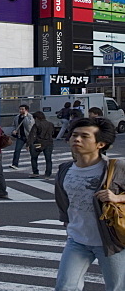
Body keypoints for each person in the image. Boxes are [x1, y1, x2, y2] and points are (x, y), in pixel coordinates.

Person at [55, 117, 125, 291]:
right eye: (74, 135)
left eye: (84, 136)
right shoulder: (64, 169)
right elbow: (64, 200)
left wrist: (117, 198)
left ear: (100, 144)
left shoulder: (115, 168)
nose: (77, 139)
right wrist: (67, 220)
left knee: (116, 288)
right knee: (64, 287)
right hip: (77, 240)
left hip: (110, 241)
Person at [28, 111, 54, 179]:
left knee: (34, 157)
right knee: (48, 159)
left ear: (36, 118)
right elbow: (52, 133)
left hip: (38, 143)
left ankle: (35, 172)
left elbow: (32, 135)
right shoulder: (50, 124)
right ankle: (47, 174)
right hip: (48, 142)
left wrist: (29, 144)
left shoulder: (37, 125)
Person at [10, 103, 34, 170]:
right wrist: (14, 131)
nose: (20, 110)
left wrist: (25, 117)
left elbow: (28, 126)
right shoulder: (17, 117)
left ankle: (34, 166)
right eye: (20, 109)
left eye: (22, 109)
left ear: (26, 110)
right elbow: (14, 125)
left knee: (32, 151)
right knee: (17, 150)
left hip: (29, 136)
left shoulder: (30, 117)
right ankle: (15, 164)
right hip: (20, 136)